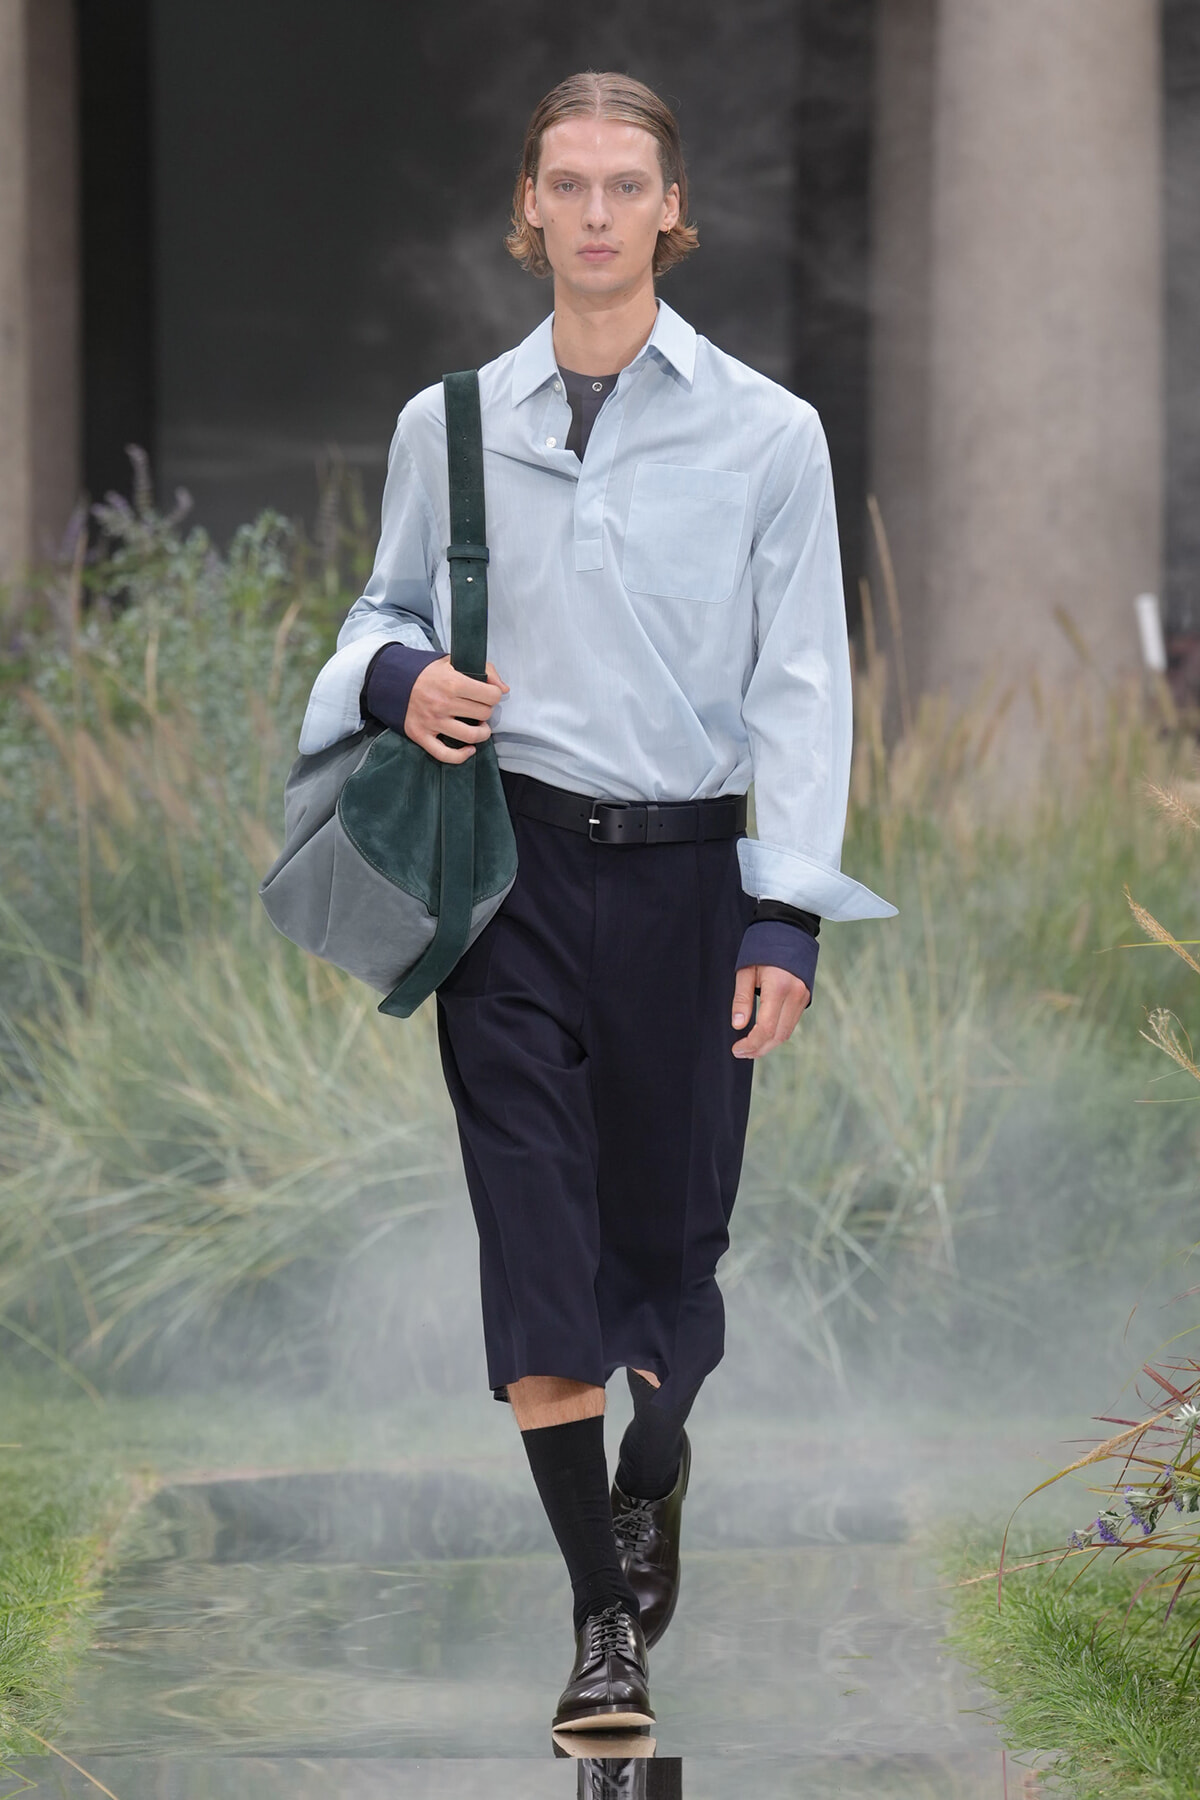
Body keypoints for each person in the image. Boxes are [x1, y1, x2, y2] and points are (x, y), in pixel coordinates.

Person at [297, 69, 894, 1738]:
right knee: (540, 1256)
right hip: (508, 878)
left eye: (627, 184)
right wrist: (400, 672)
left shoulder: (770, 432)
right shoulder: (450, 426)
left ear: (671, 209)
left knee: (671, 1268)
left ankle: (658, 1465)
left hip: (697, 882)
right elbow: (373, 611)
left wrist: (789, 915)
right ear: (530, 210)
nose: (597, 213)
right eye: (567, 184)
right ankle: (599, 1628)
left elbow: (805, 689)